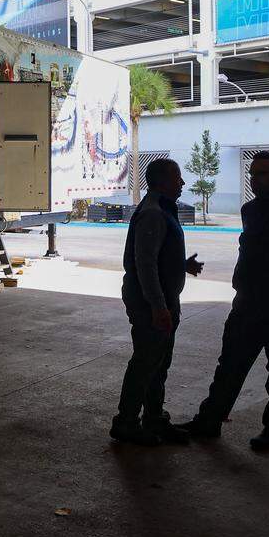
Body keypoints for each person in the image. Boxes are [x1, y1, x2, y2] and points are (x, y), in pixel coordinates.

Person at [176, 151, 269, 449]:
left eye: (264, 173)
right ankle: (209, 421)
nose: (256, 179)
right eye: (253, 174)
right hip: (246, 303)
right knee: (229, 364)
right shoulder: (250, 210)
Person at [111, 158, 204, 446]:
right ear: (163, 181)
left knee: (159, 363)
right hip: (150, 302)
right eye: (178, 177)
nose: (183, 183)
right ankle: (126, 423)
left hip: (163, 298)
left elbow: (158, 256)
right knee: (146, 363)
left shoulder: (163, 209)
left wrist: (180, 265)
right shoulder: (153, 213)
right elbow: (145, 264)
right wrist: (158, 306)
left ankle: (154, 419)